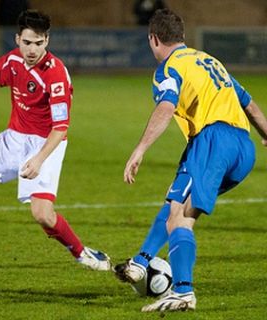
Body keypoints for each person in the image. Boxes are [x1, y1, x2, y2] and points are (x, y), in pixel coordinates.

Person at [114, 9, 267, 312]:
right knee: (178, 204)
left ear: (153, 39)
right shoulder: (211, 61)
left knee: (180, 218)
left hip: (212, 141)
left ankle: (183, 291)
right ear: (181, 37)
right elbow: (248, 104)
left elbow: (166, 107)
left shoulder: (169, 69)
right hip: (244, 149)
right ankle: (141, 262)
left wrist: (141, 148)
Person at [0, 9, 111, 272]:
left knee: (43, 215)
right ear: (18, 39)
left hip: (46, 143)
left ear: (47, 41)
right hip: (14, 139)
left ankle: (81, 253)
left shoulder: (55, 75)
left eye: (39, 43)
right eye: (28, 42)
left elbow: (61, 128)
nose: (32, 49)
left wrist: (39, 159)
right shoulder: (12, 60)